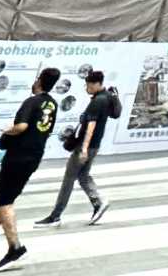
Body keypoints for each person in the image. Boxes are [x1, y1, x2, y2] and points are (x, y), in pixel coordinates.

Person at [0, 66, 60, 271]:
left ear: (39, 81)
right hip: (33, 157)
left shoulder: (31, 101)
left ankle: (15, 248)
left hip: (17, 157)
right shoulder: (52, 104)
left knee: (4, 203)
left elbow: (21, 127)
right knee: (2, 205)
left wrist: (6, 130)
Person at [34, 70, 118, 227]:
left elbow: (91, 126)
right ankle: (98, 201)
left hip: (86, 146)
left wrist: (84, 149)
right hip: (95, 145)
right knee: (83, 176)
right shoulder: (106, 97)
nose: (87, 88)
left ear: (96, 84)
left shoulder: (97, 101)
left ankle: (55, 216)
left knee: (69, 179)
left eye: (88, 85)